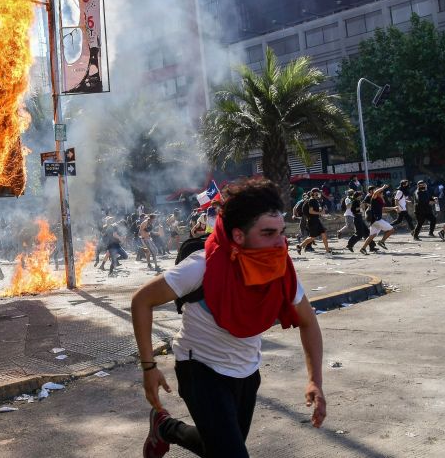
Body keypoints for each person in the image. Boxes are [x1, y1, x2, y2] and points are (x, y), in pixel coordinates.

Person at [131, 178, 326, 457]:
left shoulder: (281, 270)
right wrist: (149, 368)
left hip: (247, 373)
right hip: (199, 369)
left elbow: (308, 321)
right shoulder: (202, 266)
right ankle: (166, 427)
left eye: (281, 232)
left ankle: (164, 427)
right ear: (238, 236)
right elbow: (142, 300)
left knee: (218, 447)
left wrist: (315, 381)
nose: (281, 243)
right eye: (268, 233)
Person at [359, 184, 395, 254]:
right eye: (381, 194)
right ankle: (382, 242)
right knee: (391, 230)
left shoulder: (379, 201)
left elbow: (383, 209)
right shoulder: (374, 198)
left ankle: (363, 249)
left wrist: (393, 208)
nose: (382, 195)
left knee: (372, 235)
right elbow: (375, 193)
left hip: (375, 221)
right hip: (377, 220)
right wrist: (383, 187)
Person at [298, 189, 332, 255]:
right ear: (312, 194)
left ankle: (327, 251)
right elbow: (311, 211)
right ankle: (300, 246)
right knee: (312, 237)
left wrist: (321, 211)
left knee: (323, 234)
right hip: (312, 221)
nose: (317, 195)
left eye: (318, 194)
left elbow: (316, 210)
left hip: (316, 220)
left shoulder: (315, 201)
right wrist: (320, 212)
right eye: (316, 194)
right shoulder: (312, 200)